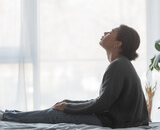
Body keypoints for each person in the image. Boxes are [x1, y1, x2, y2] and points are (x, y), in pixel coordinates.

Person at [0, 24, 149, 128]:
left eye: (110, 32)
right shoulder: (122, 64)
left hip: (115, 122)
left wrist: (69, 107)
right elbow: (104, 101)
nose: (105, 33)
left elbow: (102, 104)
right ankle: (7, 114)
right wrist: (70, 102)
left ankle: (6, 117)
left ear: (118, 44)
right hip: (117, 119)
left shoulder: (118, 65)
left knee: (55, 114)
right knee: (57, 110)